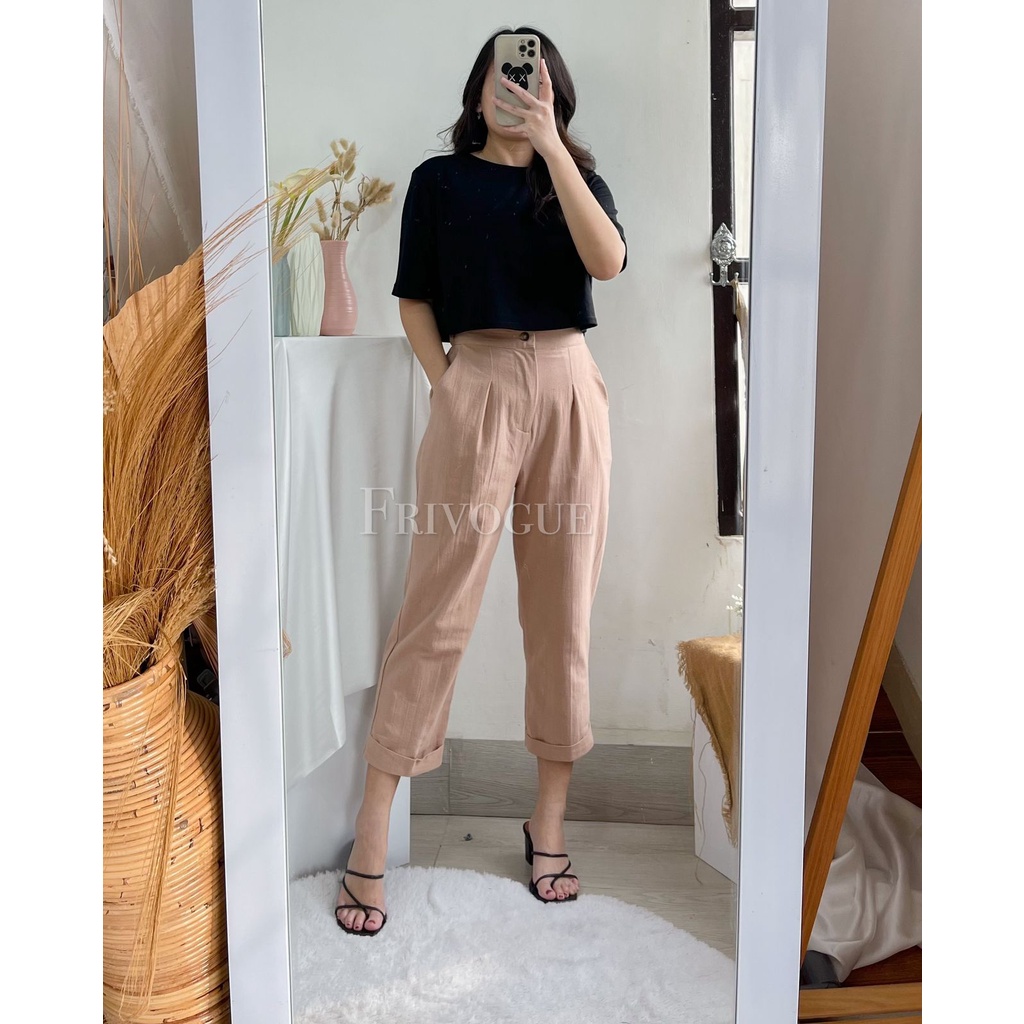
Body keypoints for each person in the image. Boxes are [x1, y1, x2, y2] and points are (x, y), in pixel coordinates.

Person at [335, 26, 628, 936]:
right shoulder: (439, 182)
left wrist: (552, 149)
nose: (516, 85)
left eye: (531, 75)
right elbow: (414, 298)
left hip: (570, 382)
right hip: (480, 380)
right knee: (437, 609)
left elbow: (608, 262)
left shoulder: (574, 178)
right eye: (503, 72)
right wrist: (450, 386)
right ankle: (372, 828)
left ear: (553, 91)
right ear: (478, 89)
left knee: (562, 613)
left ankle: (549, 824)